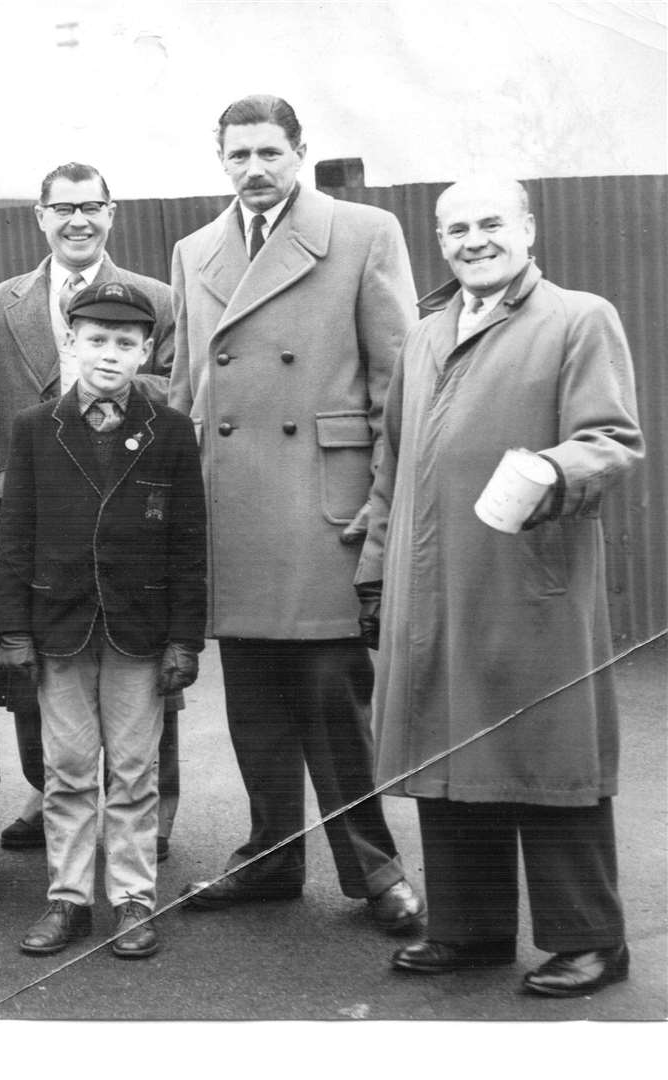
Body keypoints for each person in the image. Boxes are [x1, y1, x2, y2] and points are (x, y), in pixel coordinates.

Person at [360, 177, 643, 996]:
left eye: (491, 223)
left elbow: (613, 441)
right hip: (428, 583)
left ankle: (591, 939)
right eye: (456, 229)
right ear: (439, 241)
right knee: (448, 754)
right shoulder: (424, 333)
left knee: (548, 757)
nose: (474, 239)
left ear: (526, 229)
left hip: (528, 581)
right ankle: (472, 929)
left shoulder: (579, 318)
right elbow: (392, 464)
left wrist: (553, 468)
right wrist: (376, 569)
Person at [168, 94, 423, 932]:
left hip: (324, 511)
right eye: (238, 154)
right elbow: (185, 397)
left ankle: (375, 870)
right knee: (255, 708)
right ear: (221, 159)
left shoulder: (362, 232)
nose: (254, 169)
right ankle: (270, 857)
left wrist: (381, 509)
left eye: (269, 152)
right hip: (231, 510)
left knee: (333, 704)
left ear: (300, 151)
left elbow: (399, 390)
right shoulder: (194, 250)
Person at [0, 161, 184, 859]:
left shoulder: (157, 299)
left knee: (141, 667)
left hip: (127, 511)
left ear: (112, 213)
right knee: (35, 664)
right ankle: (48, 793)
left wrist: (94, 372)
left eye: (91, 207)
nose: (77, 221)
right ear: (40, 216)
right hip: (29, 511)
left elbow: (180, 389)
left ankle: (150, 814)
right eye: (63, 209)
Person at [0, 282, 205, 959]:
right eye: (96, 341)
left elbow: (188, 542)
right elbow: (16, 540)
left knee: (136, 771)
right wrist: (16, 633)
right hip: (60, 627)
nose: (109, 355)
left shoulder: (170, 432)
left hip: (139, 632)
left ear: (146, 350)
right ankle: (68, 899)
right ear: (72, 343)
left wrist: (185, 639)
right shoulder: (35, 430)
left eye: (124, 344)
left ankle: (134, 899)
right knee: (69, 768)